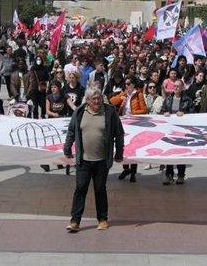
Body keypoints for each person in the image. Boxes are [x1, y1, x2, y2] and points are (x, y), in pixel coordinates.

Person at [63, 87, 124, 233]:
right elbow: (72, 131)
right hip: (83, 160)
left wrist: (119, 153)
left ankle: (102, 219)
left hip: (102, 161)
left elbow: (119, 134)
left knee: (100, 189)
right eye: (94, 99)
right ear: (88, 100)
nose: (97, 101)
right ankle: (75, 221)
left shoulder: (110, 112)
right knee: (80, 188)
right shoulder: (79, 112)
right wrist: (67, 148)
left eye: (99, 98)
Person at [109, 77, 147, 182]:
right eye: (125, 84)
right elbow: (111, 101)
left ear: (133, 84)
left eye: (128, 83)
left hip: (135, 123)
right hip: (123, 123)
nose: (126, 85)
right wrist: (121, 98)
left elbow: (144, 110)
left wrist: (133, 114)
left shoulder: (138, 94)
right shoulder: (124, 93)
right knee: (123, 146)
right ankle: (126, 168)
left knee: (133, 147)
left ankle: (133, 173)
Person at [161, 79, 195, 185]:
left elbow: (193, 113)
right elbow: (162, 111)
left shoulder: (187, 100)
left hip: (182, 131)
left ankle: (181, 175)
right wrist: (165, 113)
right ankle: (169, 175)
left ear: (182, 88)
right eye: (174, 86)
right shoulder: (167, 99)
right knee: (169, 153)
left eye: (178, 86)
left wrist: (184, 113)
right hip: (170, 131)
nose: (175, 88)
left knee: (181, 153)